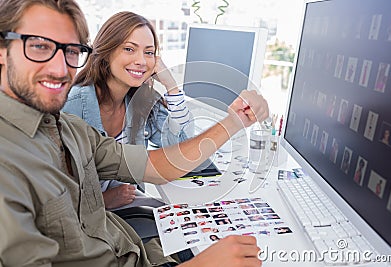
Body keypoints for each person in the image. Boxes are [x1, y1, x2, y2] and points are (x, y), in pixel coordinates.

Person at [0, 0, 268, 266]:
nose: (60, 69)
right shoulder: (59, 117)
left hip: (127, 244)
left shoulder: (72, 128)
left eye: (71, 51)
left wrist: (234, 121)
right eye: (39, 46)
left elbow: (164, 164)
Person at [62, 11, 193, 210]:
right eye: (129, 49)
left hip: (126, 207)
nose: (141, 60)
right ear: (106, 52)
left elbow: (183, 152)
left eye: (149, 52)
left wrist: (171, 86)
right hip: (87, 221)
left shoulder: (142, 102)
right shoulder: (71, 106)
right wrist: (105, 200)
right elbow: (53, 194)